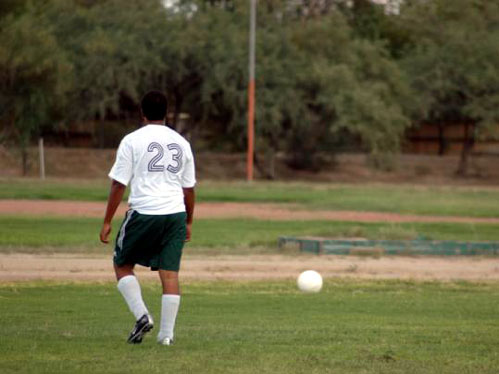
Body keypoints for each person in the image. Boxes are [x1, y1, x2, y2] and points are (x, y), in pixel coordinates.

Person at [99, 90, 196, 346]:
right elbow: (189, 189)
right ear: (166, 113)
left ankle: (142, 316)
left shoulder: (132, 140)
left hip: (144, 212)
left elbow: (119, 184)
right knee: (170, 273)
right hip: (175, 213)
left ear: (142, 113)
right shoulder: (182, 143)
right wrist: (188, 221)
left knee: (122, 264)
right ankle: (166, 337)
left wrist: (107, 221)